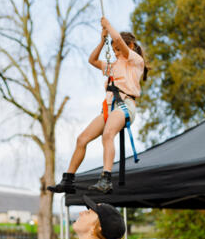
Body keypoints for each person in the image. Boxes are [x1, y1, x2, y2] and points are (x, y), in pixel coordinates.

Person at [47, 17, 147, 194]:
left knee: (108, 134)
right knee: (82, 139)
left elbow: (118, 41)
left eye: (118, 50)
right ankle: (69, 179)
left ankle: (106, 178)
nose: (116, 53)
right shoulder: (113, 66)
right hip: (109, 109)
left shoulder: (135, 62)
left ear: (130, 46)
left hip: (125, 105)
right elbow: (92, 60)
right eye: (114, 50)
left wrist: (109, 25)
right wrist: (102, 41)